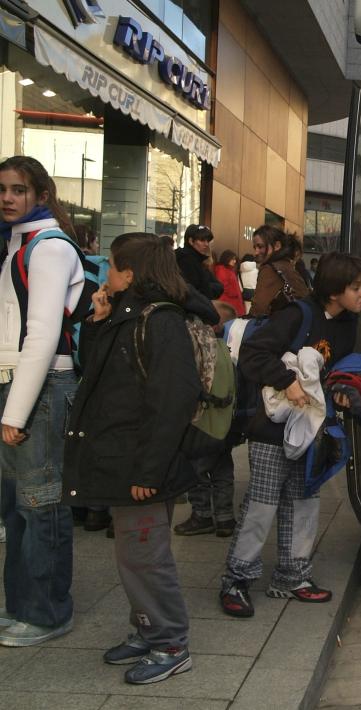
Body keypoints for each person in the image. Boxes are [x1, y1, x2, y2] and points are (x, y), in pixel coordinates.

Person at [63, 232, 215, 684]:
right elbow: (100, 374)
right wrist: (96, 323)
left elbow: (174, 398)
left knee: (146, 555)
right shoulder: (129, 315)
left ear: (130, 274)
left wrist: (149, 470)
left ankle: (171, 643)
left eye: (110, 266)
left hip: (144, 463)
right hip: (127, 457)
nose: (105, 274)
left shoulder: (161, 320)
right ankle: (147, 630)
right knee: (134, 554)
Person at [219, 252, 361, 618]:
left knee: (304, 503)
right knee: (261, 505)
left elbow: (332, 369)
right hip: (273, 429)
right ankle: (236, 580)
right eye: (356, 287)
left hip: (311, 430)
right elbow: (254, 354)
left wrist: (337, 391)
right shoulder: (297, 314)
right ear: (335, 291)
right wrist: (287, 381)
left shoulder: (348, 323)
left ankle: (292, 576)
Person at [0, 156, 83, 647]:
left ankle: (47, 613)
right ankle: (27, 608)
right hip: (24, 385)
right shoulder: (21, 243)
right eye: (3, 189)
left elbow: (44, 334)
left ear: (42, 194)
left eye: (18, 189)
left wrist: (15, 411)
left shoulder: (48, 248)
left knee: (40, 505)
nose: (8, 197)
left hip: (41, 387)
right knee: (19, 508)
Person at [174, 299, 238, 538]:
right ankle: (225, 518)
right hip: (225, 425)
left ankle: (202, 515)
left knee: (198, 473)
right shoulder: (227, 349)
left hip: (203, 424)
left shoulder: (204, 349)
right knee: (222, 472)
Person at [248, 226, 309, 317]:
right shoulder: (286, 265)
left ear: (277, 246)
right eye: (255, 248)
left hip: (281, 328)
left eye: (260, 247)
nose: (256, 252)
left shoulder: (269, 269)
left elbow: (258, 309)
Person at [175, 224, 223, 301]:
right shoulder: (186, 260)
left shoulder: (199, 260)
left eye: (207, 241)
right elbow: (194, 290)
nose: (206, 244)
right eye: (202, 240)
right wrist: (208, 287)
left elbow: (219, 286)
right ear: (191, 241)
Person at [214, 250, 245, 316]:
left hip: (232, 300)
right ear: (226, 258)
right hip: (229, 301)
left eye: (235, 259)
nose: (235, 261)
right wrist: (234, 293)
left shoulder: (228, 269)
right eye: (233, 259)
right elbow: (223, 285)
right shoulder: (221, 270)